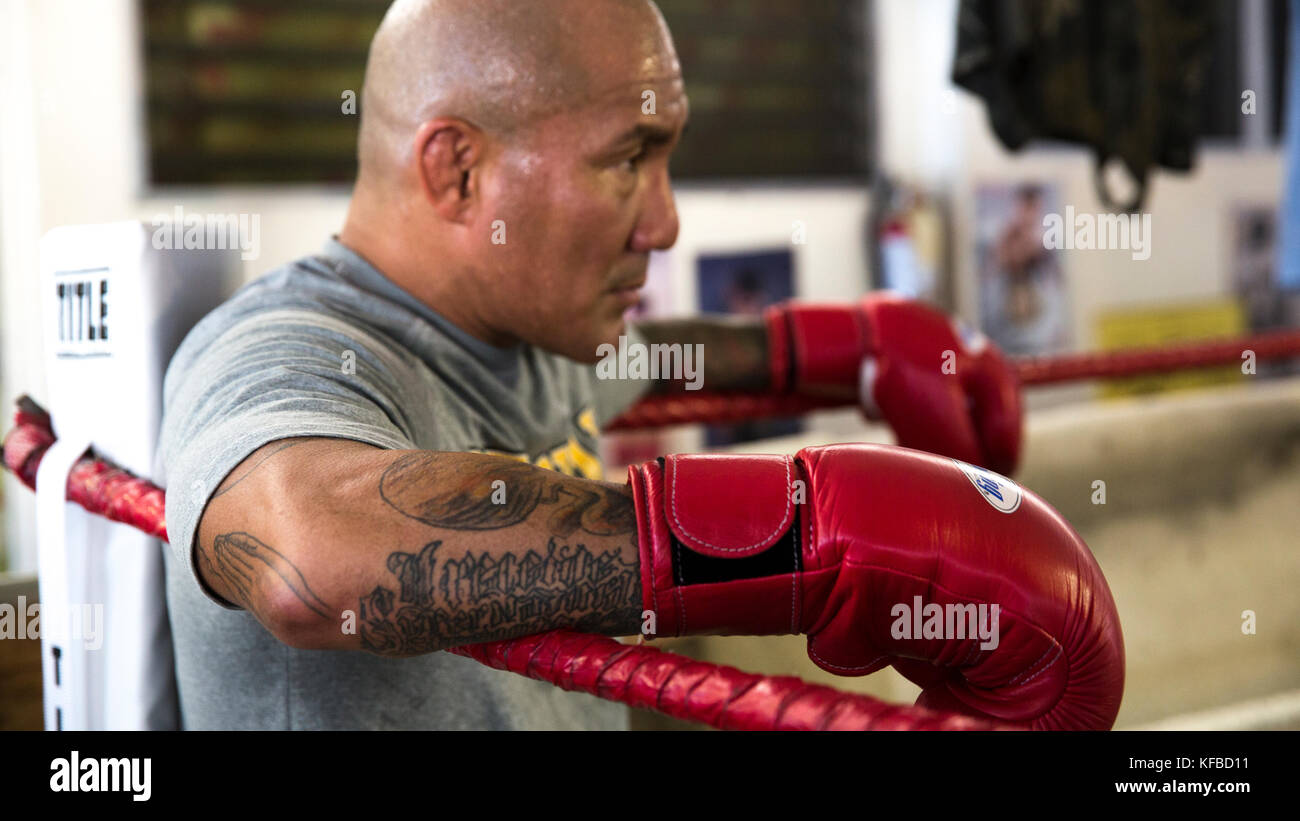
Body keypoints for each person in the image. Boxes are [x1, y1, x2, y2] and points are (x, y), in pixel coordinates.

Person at [160, 0, 1120, 731]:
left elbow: (663, 357)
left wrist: (850, 347)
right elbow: (309, 559)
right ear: (458, 172)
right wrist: (804, 537)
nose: (663, 221)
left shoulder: (538, 328)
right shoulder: (286, 347)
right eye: (629, 159)